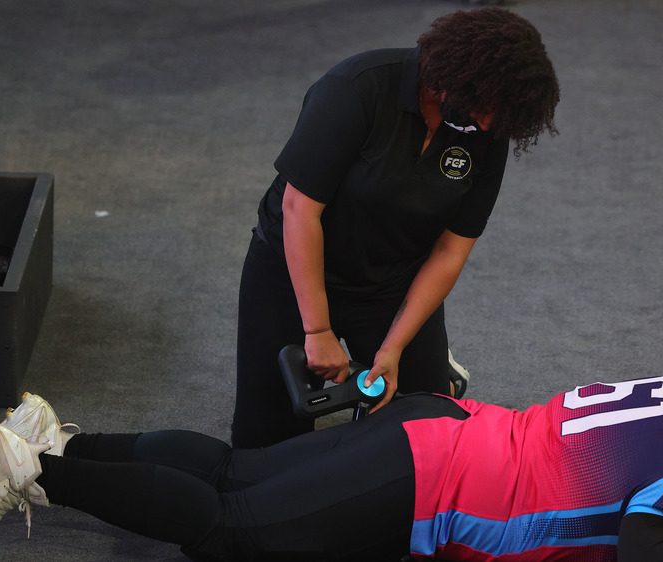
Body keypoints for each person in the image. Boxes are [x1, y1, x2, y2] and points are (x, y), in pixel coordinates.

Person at [0, 349, 663, 562]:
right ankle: (30, 473)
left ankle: (57, 438)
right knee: (233, 528)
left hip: (442, 424)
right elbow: (643, 554)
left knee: (236, 471)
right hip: (436, 481)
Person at [233, 7, 562, 447]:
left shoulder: (487, 128)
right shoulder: (356, 87)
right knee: (265, 444)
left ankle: (433, 368)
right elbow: (299, 210)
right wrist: (317, 331)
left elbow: (451, 249)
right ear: (459, 76)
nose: (486, 125)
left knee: (431, 437)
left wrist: (392, 349)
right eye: (484, 109)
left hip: (391, 279)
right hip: (293, 270)